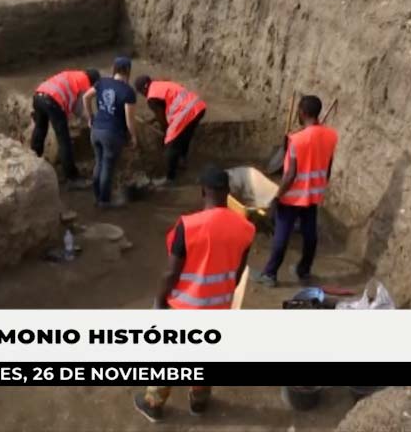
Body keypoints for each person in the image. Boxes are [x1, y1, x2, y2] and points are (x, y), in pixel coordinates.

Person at [133, 166, 256, 423]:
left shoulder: (188, 226)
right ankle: (199, 401)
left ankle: (153, 404)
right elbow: (239, 271)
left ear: (203, 192)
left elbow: (171, 273)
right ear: (228, 193)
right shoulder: (245, 228)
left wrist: (158, 303)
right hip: (219, 306)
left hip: (184, 308)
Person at [252, 95, 338, 288]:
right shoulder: (331, 135)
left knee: (281, 234)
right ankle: (304, 269)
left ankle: (269, 274)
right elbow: (328, 167)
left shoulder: (296, 140)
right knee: (310, 233)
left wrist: (277, 196)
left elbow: (290, 175)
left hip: (293, 196)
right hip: (314, 193)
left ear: (302, 112)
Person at [82, 56, 137, 208]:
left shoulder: (102, 82)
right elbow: (129, 120)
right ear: (128, 71)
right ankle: (104, 201)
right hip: (112, 134)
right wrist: (133, 137)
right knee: (107, 166)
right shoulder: (128, 92)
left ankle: (97, 197)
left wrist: (90, 117)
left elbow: (86, 97)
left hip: (96, 130)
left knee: (98, 163)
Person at [31, 68, 100, 187]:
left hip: (38, 95)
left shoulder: (73, 75)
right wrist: (91, 119)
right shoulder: (85, 83)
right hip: (52, 101)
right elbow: (78, 109)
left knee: (40, 127)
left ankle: (33, 159)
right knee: (64, 140)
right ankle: (72, 177)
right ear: (93, 82)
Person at [133, 76, 207, 186]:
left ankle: (170, 178)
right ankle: (182, 160)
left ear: (143, 90)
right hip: (197, 106)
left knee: (171, 144)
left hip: (185, 112)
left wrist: (166, 133)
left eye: (141, 93)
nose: (144, 96)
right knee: (184, 135)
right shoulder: (161, 85)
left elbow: (162, 119)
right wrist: (153, 120)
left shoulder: (151, 98)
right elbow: (166, 106)